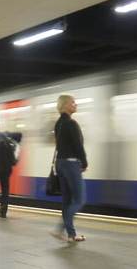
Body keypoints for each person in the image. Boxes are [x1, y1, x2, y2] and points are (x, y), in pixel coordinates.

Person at [51, 95, 88, 242]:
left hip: (60, 164)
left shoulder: (58, 123)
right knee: (79, 200)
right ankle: (60, 229)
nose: (75, 104)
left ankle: (71, 235)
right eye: (73, 102)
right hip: (71, 164)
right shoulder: (71, 123)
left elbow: (59, 146)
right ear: (66, 105)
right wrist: (84, 162)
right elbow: (78, 145)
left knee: (67, 201)